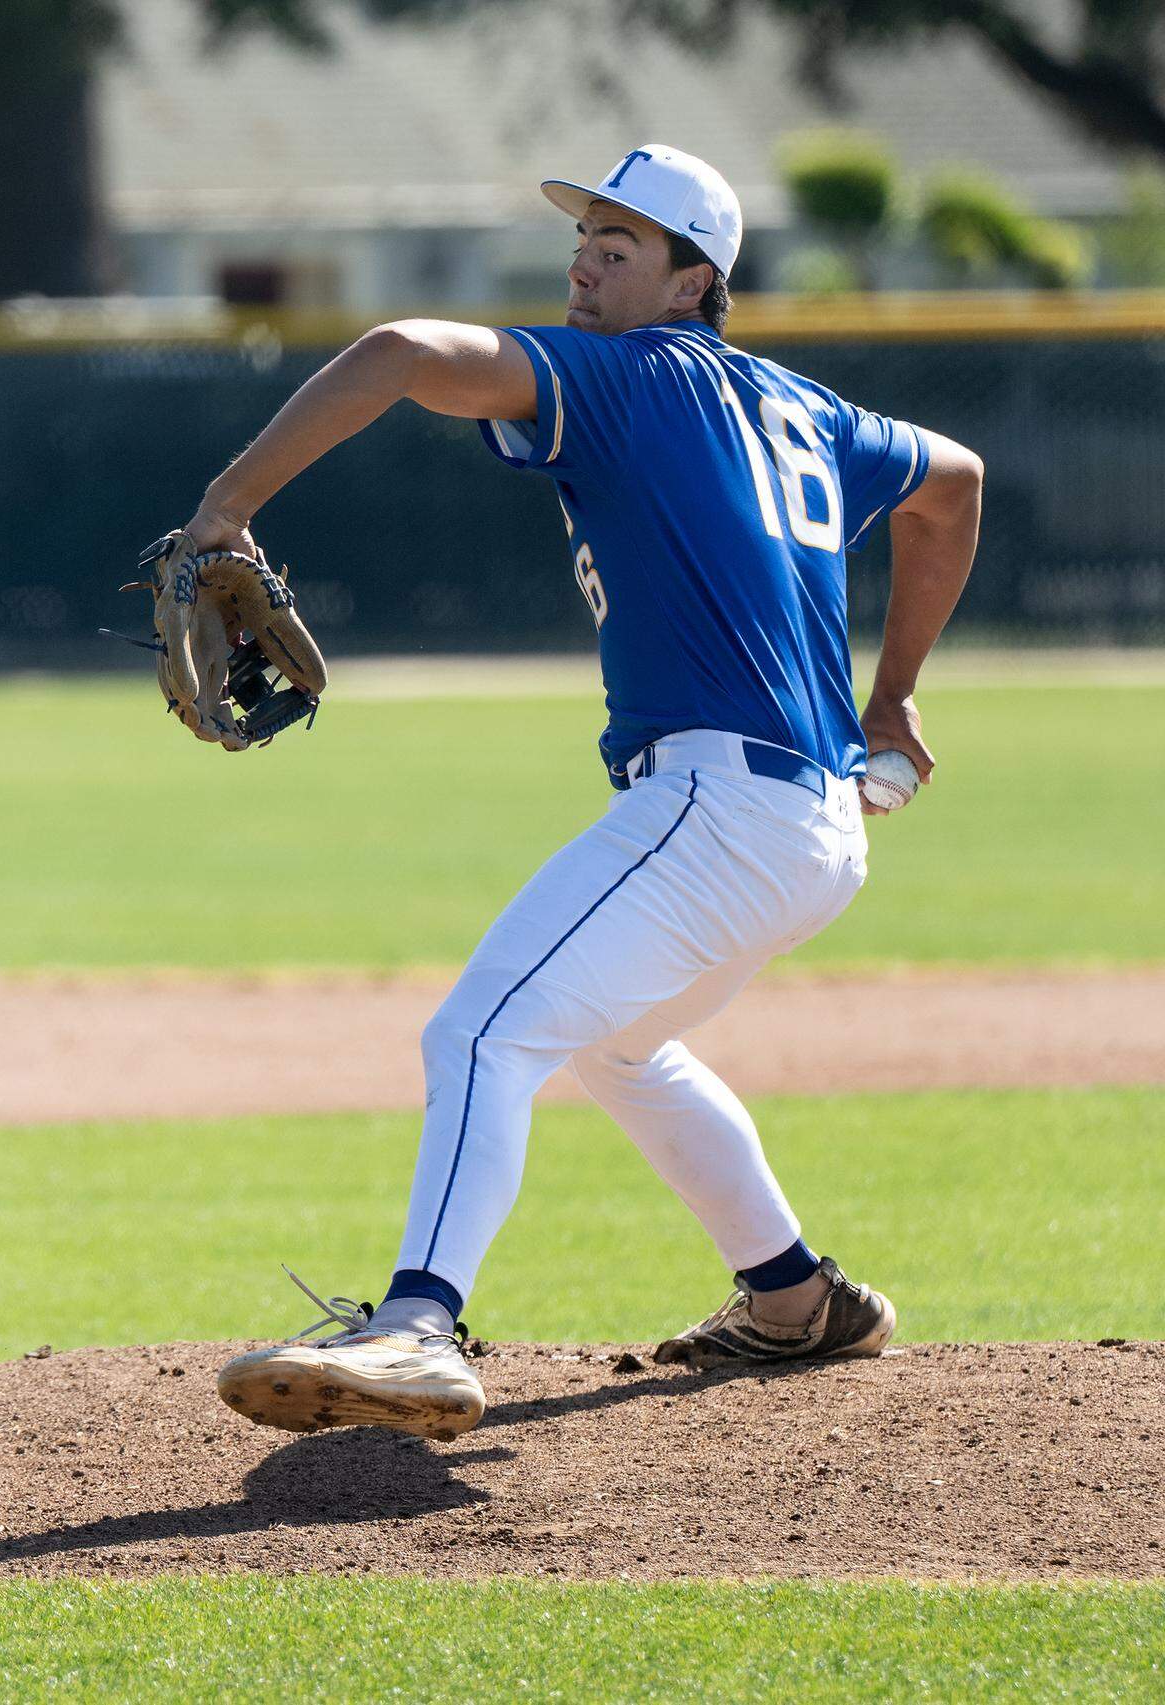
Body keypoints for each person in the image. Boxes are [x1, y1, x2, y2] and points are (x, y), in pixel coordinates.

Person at [203, 144, 982, 1443]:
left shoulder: (630, 376)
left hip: (719, 807)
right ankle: (797, 1300)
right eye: (584, 238)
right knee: (617, 1042)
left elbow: (397, 348)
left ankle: (417, 1321)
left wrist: (225, 508)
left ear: (693, 283)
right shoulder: (802, 406)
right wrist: (890, 695)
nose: (584, 262)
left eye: (620, 247)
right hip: (815, 826)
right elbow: (952, 486)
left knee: (481, 1030)